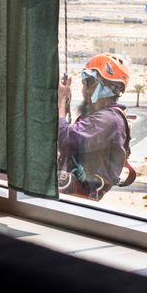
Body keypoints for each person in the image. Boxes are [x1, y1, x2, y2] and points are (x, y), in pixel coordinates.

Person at [58, 53, 136, 201]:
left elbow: (65, 141)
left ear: (96, 85)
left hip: (80, 197)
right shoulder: (105, 116)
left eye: (85, 82)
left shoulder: (107, 120)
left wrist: (61, 102)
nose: (82, 90)